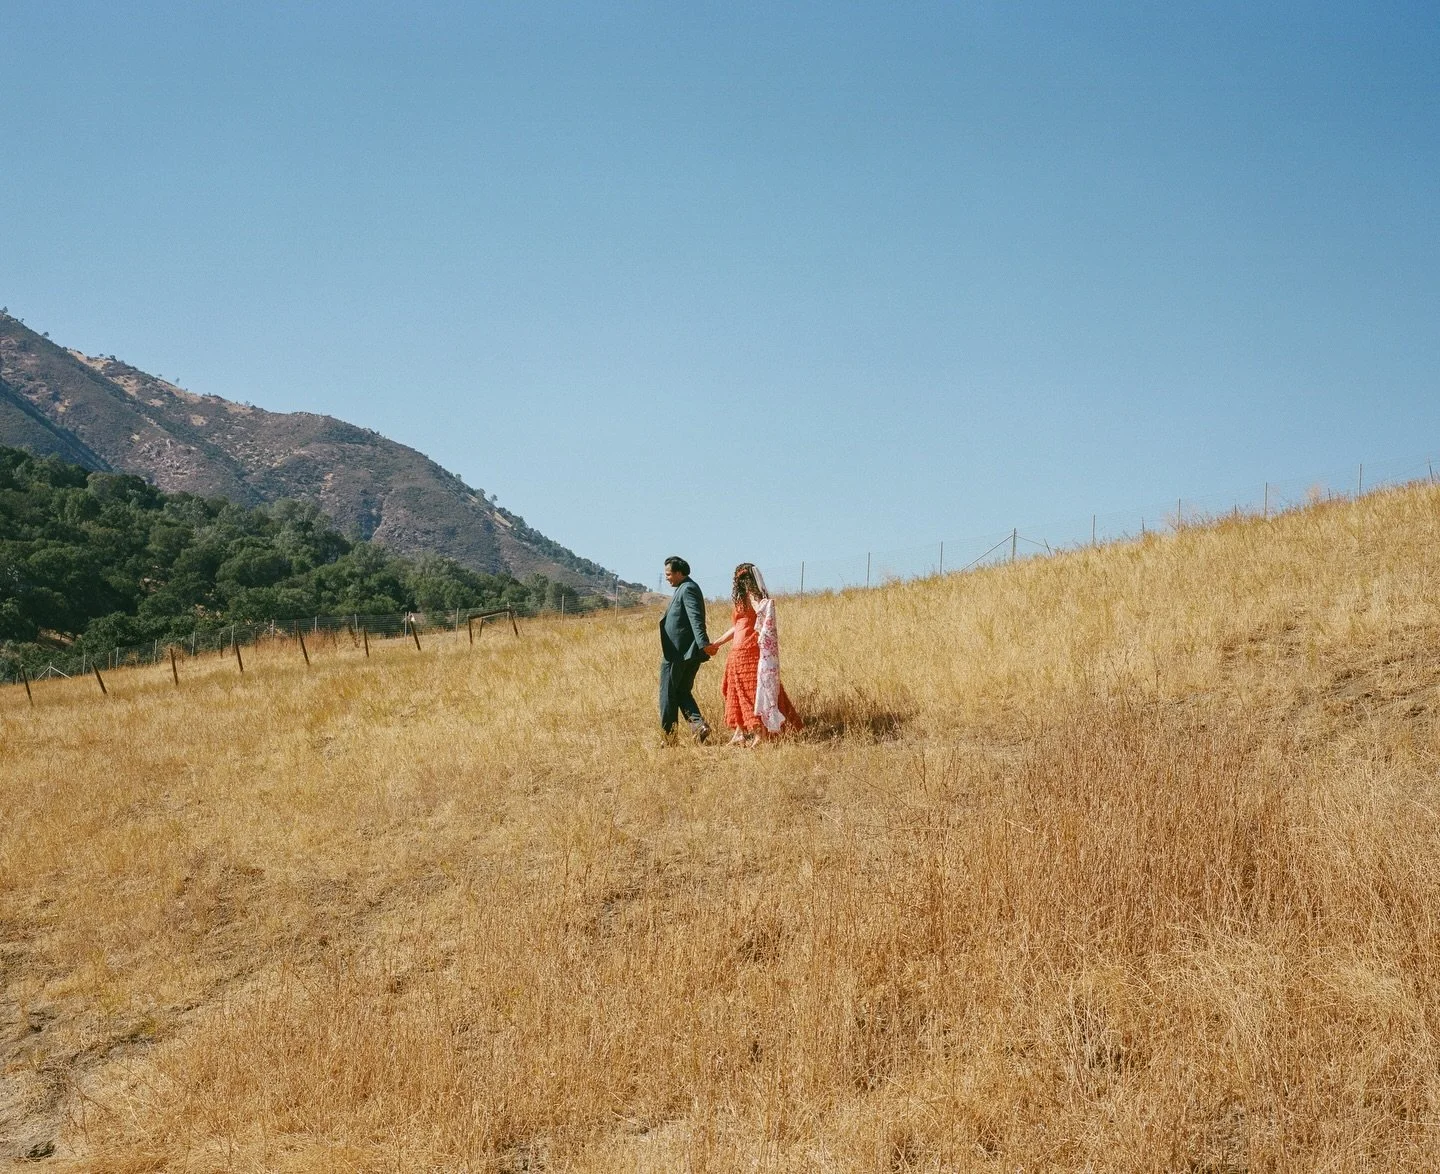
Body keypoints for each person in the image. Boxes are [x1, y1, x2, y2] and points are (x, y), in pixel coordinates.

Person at [710, 563, 802, 745]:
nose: (742, 582)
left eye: (744, 578)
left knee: (753, 690)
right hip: (737, 651)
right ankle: (740, 732)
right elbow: (737, 627)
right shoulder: (741, 600)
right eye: (740, 579)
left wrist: (761, 604)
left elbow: (762, 611)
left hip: (750, 649)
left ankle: (760, 733)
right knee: (734, 691)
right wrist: (718, 643)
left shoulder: (754, 597)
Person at [658, 555, 712, 741]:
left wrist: (703, 644)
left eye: (669, 574)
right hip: (687, 652)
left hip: (679, 653)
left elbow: (696, 618)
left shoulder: (687, 588)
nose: (667, 578)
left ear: (679, 572)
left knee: (667, 694)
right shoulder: (684, 588)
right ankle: (699, 726)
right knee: (681, 691)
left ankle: (669, 738)